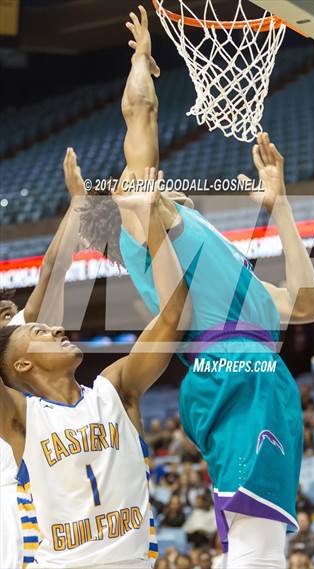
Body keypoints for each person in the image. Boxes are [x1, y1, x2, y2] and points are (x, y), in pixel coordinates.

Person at [78, 7, 314, 568]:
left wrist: (279, 206)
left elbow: (306, 305)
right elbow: (138, 112)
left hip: (253, 368)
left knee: (259, 541)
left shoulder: (213, 257)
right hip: (236, 370)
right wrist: (141, 59)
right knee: (259, 544)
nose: (158, 180)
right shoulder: (143, 226)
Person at [0, 166, 190, 568]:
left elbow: (173, 315)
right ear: (22, 362)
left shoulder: (114, 388)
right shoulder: (20, 417)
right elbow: (50, 274)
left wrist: (154, 221)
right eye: (36, 330)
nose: (53, 326)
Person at [0, 146, 84, 569]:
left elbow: (54, 267)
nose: (17, 318)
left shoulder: (20, 343)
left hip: (25, 479)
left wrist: (77, 209)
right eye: (6, 314)